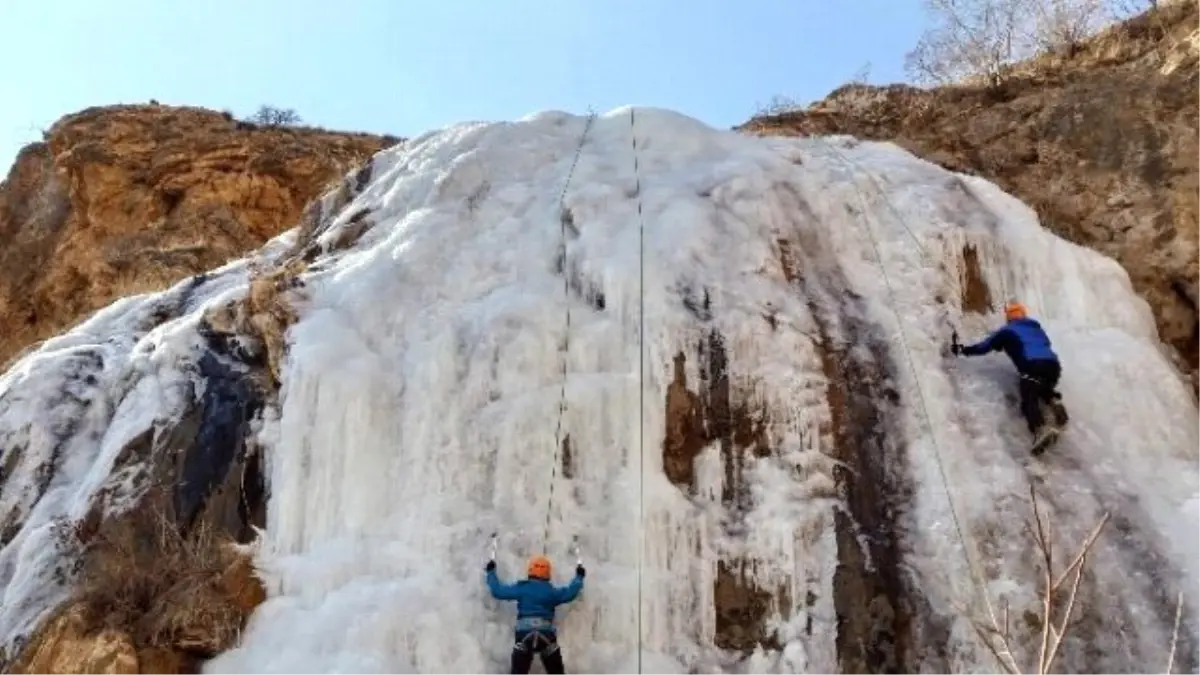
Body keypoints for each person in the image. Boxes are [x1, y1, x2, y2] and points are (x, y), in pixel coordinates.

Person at [951, 300, 1069, 454]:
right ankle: (1054, 400)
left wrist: (963, 350)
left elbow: (984, 347)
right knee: (1041, 386)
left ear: (1009, 318)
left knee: (1029, 398)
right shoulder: (1036, 329)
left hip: (1033, 365)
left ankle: (1040, 428)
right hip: (1053, 366)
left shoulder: (1007, 331)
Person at [486, 554, 585, 675]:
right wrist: (579, 577)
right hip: (546, 636)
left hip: (524, 636)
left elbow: (498, 591)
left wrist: (491, 572)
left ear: (530, 570)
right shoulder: (551, 592)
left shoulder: (522, 588)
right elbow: (570, 593)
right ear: (547, 573)